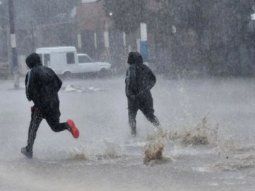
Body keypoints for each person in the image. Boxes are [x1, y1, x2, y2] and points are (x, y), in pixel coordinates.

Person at [21, 53, 79, 158]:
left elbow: (29, 93)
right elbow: (59, 83)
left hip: (40, 107)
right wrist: (50, 95)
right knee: (55, 127)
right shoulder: (49, 70)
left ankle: (29, 150)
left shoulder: (31, 73)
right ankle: (68, 125)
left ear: (30, 64)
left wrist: (36, 98)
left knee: (33, 128)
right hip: (54, 104)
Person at [125, 52, 160, 136]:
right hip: (142, 97)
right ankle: (161, 131)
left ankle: (134, 135)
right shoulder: (144, 68)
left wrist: (131, 95)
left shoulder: (132, 69)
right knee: (149, 116)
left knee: (133, 118)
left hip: (136, 98)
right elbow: (153, 79)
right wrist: (146, 89)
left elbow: (128, 84)